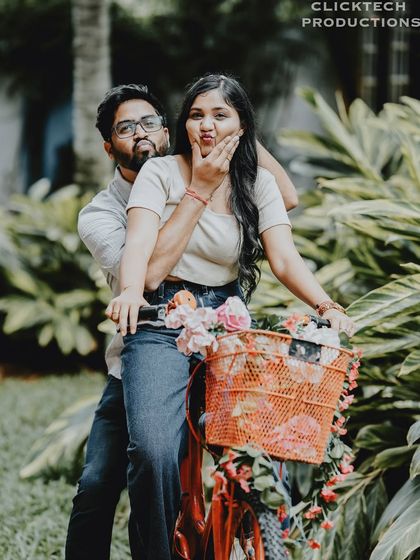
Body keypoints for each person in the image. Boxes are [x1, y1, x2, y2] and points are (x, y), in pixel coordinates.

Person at [106, 74, 356, 560]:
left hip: (228, 321)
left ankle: (254, 534)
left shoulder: (256, 182)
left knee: (258, 440)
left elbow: (284, 259)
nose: (207, 126)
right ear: (183, 124)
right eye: (197, 115)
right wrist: (132, 291)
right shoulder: (161, 173)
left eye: (221, 115)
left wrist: (326, 306)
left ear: (242, 126)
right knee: (153, 451)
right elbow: (138, 246)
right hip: (160, 319)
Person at [66, 82, 299, 560]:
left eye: (150, 122)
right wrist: (200, 191)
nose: (141, 133)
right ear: (109, 147)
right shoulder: (100, 214)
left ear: (168, 130)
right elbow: (148, 275)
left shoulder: (197, 169)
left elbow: (284, 198)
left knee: (254, 448)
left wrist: (233, 129)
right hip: (141, 347)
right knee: (100, 481)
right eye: (126, 129)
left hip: (215, 332)